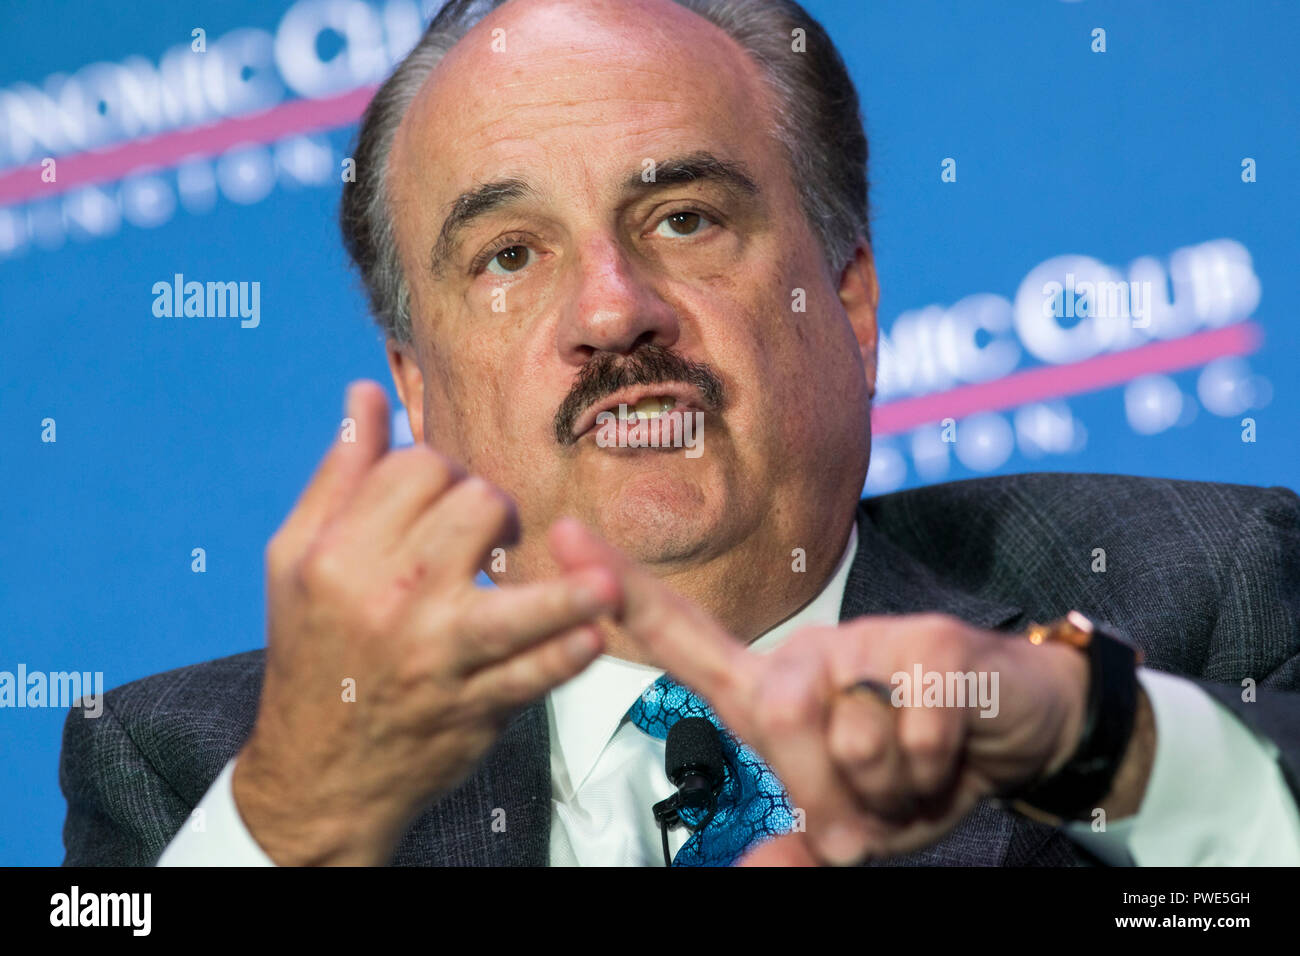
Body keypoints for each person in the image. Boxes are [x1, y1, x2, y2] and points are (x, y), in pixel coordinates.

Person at [61, 0, 1300, 867]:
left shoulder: (1200, 591)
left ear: (852, 304)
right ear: (417, 388)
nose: (611, 309)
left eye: (685, 218)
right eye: (508, 254)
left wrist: (1089, 736)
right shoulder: (195, 766)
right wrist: (291, 825)